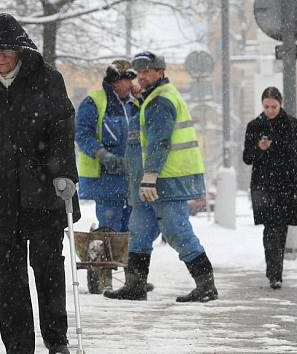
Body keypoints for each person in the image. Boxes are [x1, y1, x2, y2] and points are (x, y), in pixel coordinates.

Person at [0, 13, 80, 354]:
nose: (0, 57)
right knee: (9, 275)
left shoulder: (48, 80)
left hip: (44, 189)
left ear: (20, 50)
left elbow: (62, 128)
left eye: (6, 50)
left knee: (48, 268)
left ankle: (57, 340)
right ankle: (18, 346)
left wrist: (64, 172)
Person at [105, 51, 218, 302]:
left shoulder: (161, 101)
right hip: (151, 181)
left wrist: (150, 175)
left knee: (177, 230)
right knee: (140, 231)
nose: (142, 76)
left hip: (165, 180)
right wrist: (138, 100)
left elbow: (159, 142)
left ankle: (206, 285)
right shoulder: (150, 99)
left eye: (147, 71)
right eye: (139, 72)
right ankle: (135, 285)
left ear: (160, 72)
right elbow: (143, 136)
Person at [243, 87, 297, 290]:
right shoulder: (254, 126)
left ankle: (275, 270)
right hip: (264, 185)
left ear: (281, 104)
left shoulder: (293, 125)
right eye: (266, 106)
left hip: (287, 184)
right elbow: (247, 158)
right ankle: (274, 273)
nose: (270, 110)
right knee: (271, 227)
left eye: (274, 106)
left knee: (281, 228)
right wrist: (259, 148)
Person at [75, 59, 137, 233]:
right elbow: (82, 134)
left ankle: (126, 259)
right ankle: (111, 257)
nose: (130, 84)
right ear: (115, 82)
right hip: (106, 179)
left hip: (130, 178)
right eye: (126, 80)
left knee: (132, 229)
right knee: (111, 227)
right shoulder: (93, 102)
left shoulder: (134, 104)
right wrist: (102, 154)